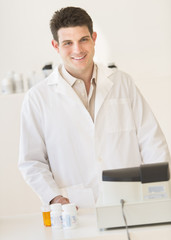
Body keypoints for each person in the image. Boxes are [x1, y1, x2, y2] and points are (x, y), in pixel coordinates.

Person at [18, 6, 170, 207]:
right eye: (67, 43)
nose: (77, 50)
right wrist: (54, 197)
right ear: (55, 46)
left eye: (83, 39)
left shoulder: (122, 83)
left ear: (94, 38)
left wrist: (157, 190)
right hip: (76, 207)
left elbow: (151, 141)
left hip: (130, 200)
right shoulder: (37, 98)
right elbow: (31, 161)